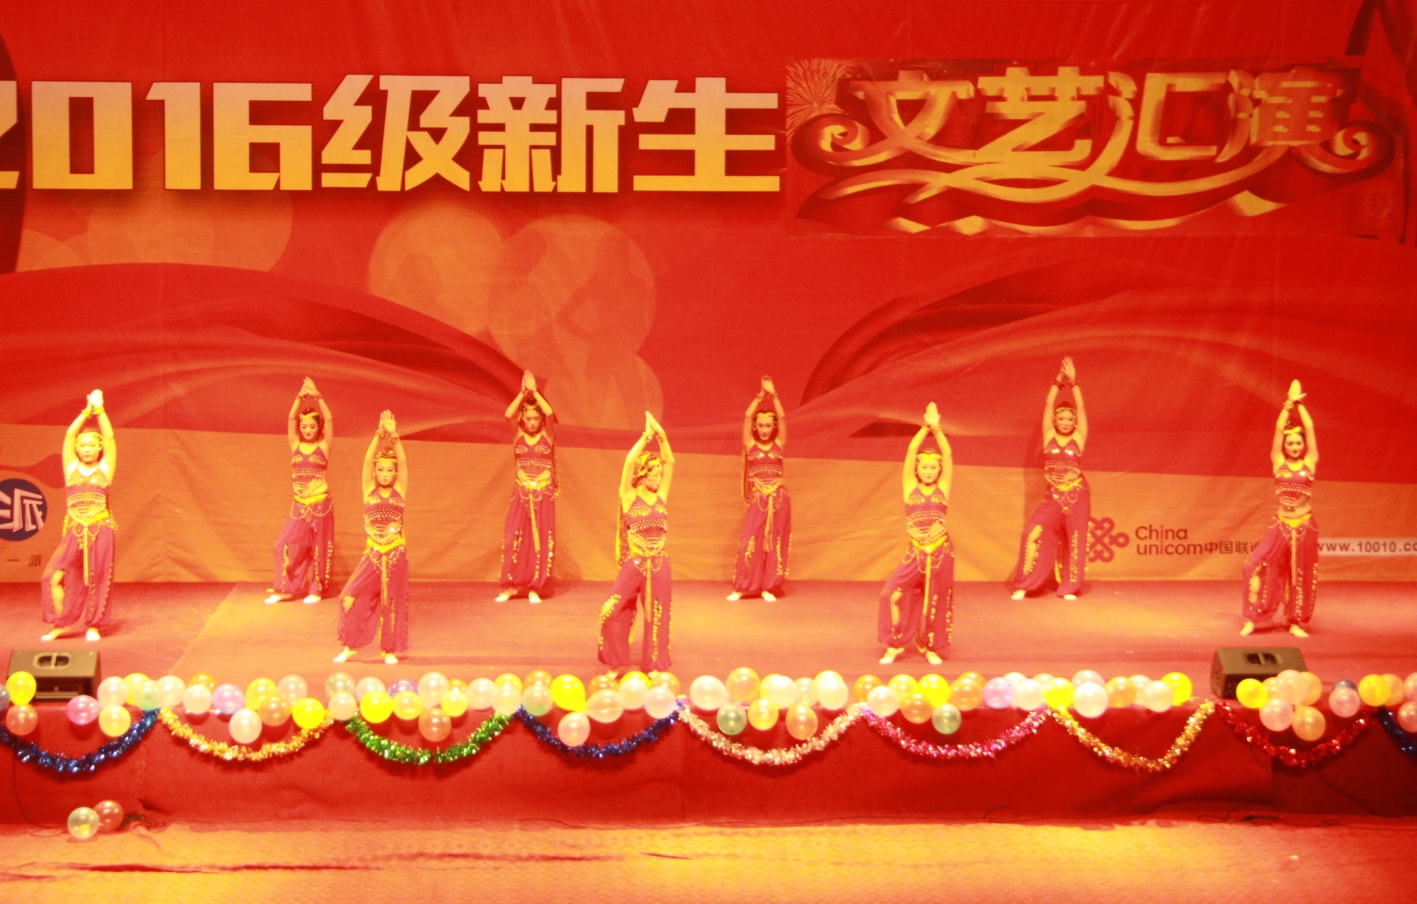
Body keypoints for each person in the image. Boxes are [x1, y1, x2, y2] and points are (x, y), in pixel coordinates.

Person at [877, 402, 954, 666]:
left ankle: (930, 646)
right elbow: (911, 451)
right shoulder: (909, 487)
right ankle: (894, 643)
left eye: (934, 467)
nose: (929, 471)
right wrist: (925, 427)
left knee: (934, 601)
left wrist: (938, 429)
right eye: (925, 467)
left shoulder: (944, 487)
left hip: (942, 552)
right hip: (915, 553)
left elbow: (947, 453)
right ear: (917, 469)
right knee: (890, 594)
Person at [598, 412, 674, 673]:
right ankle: (615, 662)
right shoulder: (629, 496)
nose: (659, 477)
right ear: (643, 474)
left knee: (657, 614)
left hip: (660, 563)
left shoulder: (662, 495)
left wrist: (661, 436)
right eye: (655, 474)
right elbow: (629, 461)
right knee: (612, 609)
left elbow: (670, 460)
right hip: (637, 563)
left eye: (660, 474)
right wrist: (645, 437)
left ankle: (653, 664)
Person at [1241, 380, 1319, 637]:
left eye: (1298, 443)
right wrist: (1287, 406)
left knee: (1300, 575)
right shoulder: (1278, 462)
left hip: (1305, 527)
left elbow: (1309, 428)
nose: (1294, 447)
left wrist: (1300, 405)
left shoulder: (1310, 462)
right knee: (1253, 565)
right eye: (1290, 444)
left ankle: (1294, 621)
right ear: (1284, 447)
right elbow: (1277, 431)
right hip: (1282, 526)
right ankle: (1253, 617)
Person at [1011, 357, 1090, 601]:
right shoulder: (1048, 436)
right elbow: (1047, 405)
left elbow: (1082, 408)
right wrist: (1058, 381)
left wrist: (1074, 382)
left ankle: (1069, 588)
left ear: (1074, 422)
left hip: (1077, 494)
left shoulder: (1079, 438)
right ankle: (1026, 584)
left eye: (1069, 419)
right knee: (1032, 534)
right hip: (1054, 495)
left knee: (1075, 540)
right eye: (1061, 418)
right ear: (1055, 421)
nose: (1065, 422)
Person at [40, 391, 117, 642]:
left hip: (100, 527)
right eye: (82, 445)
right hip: (75, 528)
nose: (86, 449)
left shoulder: (105, 468)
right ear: (77, 449)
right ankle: (60, 623)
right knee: (52, 575)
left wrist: (100, 410)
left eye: (91, 445)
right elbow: (70, 434)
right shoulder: (71, 467)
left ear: (99, 447)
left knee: (98, 577)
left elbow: (109, 436)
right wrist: (86, 411)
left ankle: (94, 625)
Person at [334, 412, 409, 665]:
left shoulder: (400, 490)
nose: (385, 474)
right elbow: (367, 460)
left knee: (391, 602)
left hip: (396, 555)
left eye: (389, 470)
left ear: (395, 473)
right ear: (375, 472)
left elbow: (403, 461)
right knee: (349, 596)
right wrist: (378, 434)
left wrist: (394, 436)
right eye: (381, 470)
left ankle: (389, 650)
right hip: (374, 554)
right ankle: (350, 646)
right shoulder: (368, 490)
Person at [267, 379, 334, 605]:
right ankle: (284, 589)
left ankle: (316, 590)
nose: (307, 430)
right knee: (282, 544)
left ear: (318, 428)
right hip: (299, 504)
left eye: (312, 426)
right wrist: (299, 397)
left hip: (320, 505)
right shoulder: (294, 444)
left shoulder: (324, 447)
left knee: (319, 548)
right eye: (304, 426)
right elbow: (290, 418)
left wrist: (317, 396)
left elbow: (330, 419)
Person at [496, 370, 556, 603]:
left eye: (535, 418)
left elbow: (549, 413)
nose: (532, 422)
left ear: (540, 420)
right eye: (528, 418)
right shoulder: (517, 435)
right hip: (521, 493)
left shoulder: (548, 436)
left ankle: (534, 587)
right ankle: (510, 586)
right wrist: (523, 394)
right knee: (513, 537)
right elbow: (507, 414)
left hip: (543, 494)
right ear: (523, 419)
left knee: (539, 540)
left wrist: (535, 392)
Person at [728, 376, 790, 601]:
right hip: (758, 499)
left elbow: (782, 417)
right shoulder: (750, 445)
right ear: (755, 427)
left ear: (773, 428)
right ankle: (742, 587)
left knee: (774, 544)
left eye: (768, 425)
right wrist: (760, 397)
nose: (764, 429)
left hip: (779, 499)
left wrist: (774, 397)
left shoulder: (779, 444)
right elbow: (747, 416)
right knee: (750, 541)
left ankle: (768, 587)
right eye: (761, 425)